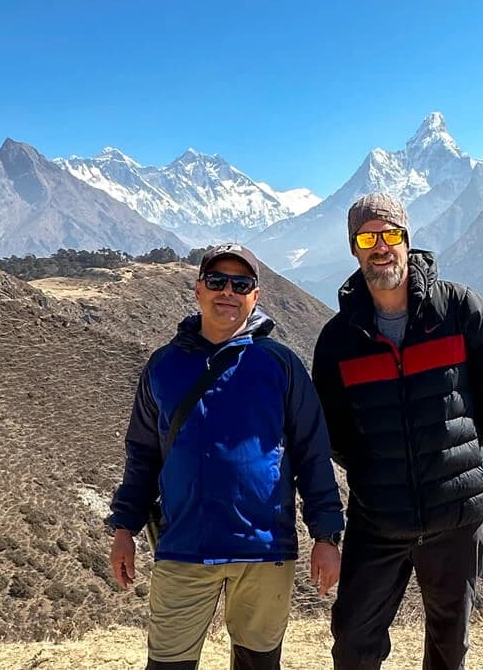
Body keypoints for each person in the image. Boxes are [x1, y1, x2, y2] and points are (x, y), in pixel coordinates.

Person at [108, 243, 344, 670]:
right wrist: (124, 526)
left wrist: (326, 537)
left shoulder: (280, 365)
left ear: (256, 295)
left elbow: (312, 453)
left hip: (264, 550)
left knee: (258, 663)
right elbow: (142, 455)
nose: (227, 292)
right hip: (183, 547)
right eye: (217, 281)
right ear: (198, 289)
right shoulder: (163, 367)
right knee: (166, 663)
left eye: (241, 283)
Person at [311, 194, 483, 670]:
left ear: (406, 238)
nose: (380, 247)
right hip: (379, 517)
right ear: (354, 249)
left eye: (389, 234)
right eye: (367, 237)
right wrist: (375, 471)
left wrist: (467, 463)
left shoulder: (460, 310)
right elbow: (334, 428)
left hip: (456, 515)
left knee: (450, 642)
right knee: (353, 639)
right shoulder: (340, 339)